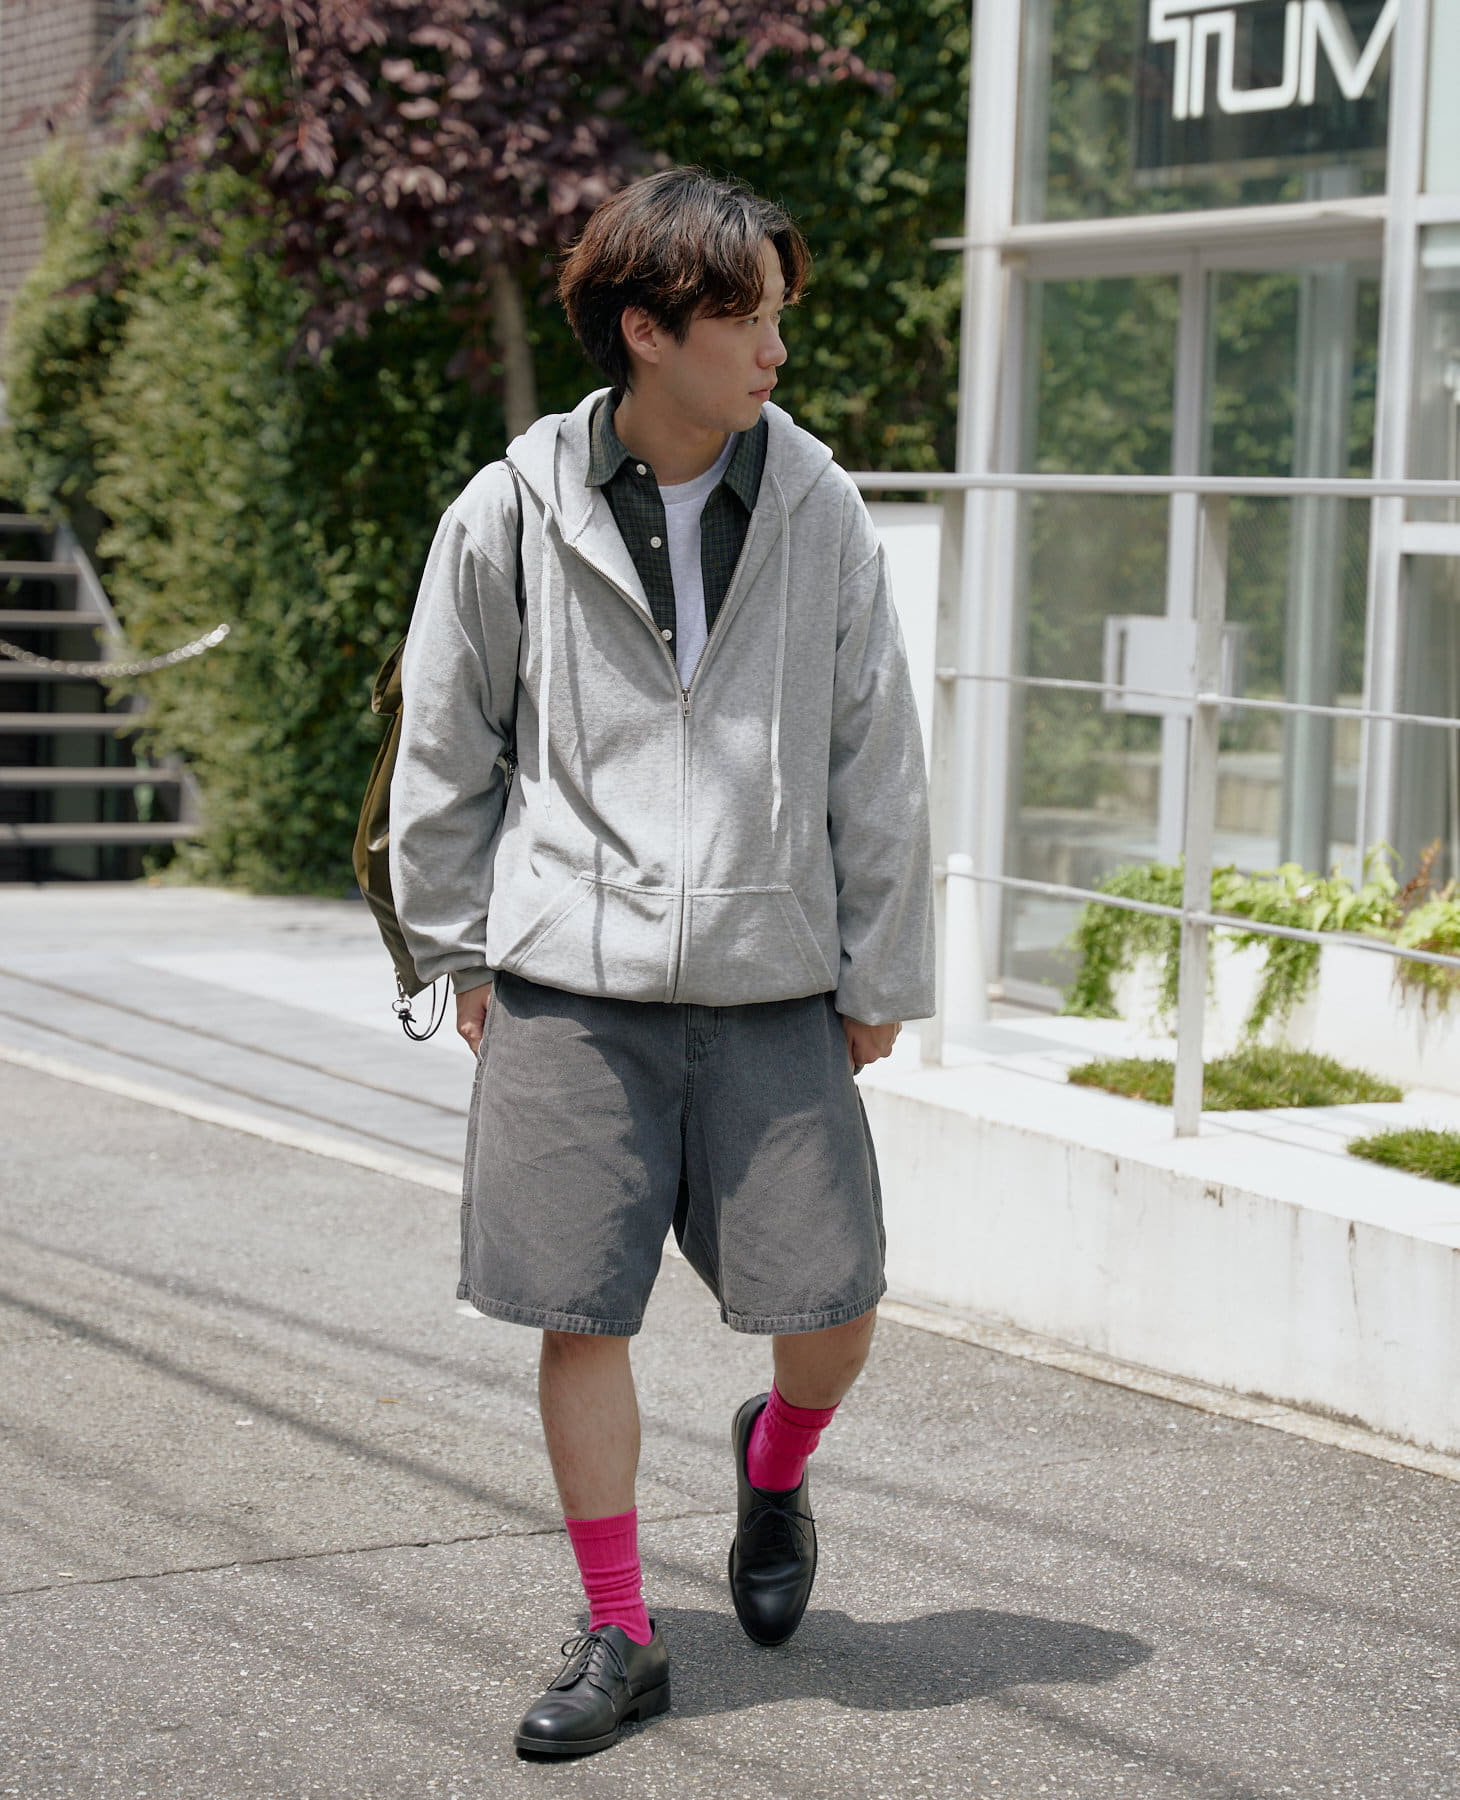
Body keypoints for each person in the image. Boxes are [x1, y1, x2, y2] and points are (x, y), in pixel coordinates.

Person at [390, 166, 933, 1759]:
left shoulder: (819, 507)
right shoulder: (512, 509)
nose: (776, 348)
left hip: (773, 977)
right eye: (746, 318)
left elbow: (878, 756)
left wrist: (880, 971)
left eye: (779, 315)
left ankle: (776, 1461)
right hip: (571, 984)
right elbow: (445, 741)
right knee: (580, 1310)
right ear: (648, 330)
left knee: (832, 1305)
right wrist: (455, 953)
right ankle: (622, 1631)